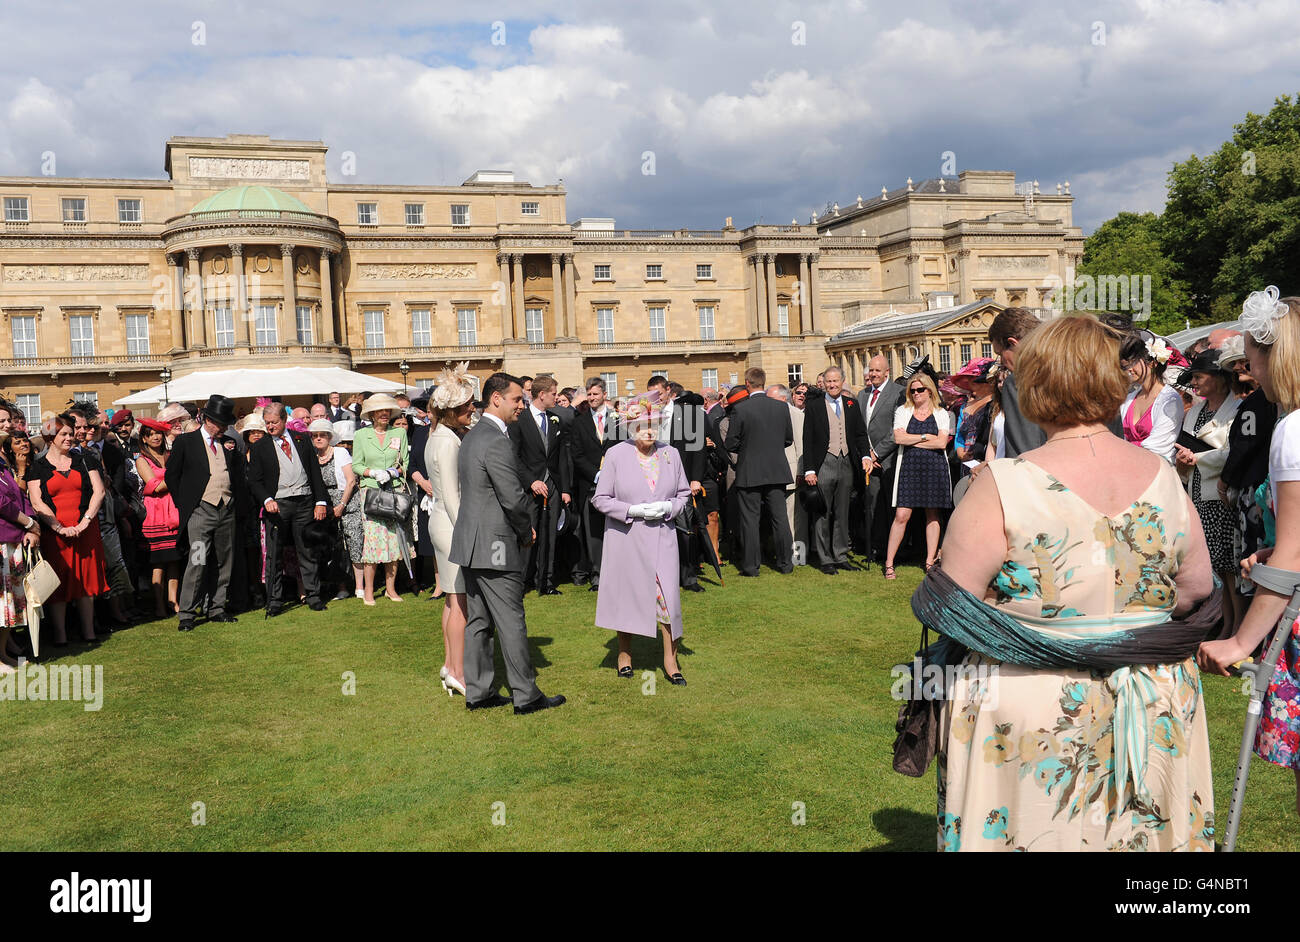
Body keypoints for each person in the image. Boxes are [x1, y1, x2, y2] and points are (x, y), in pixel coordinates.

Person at [934, 315, 1216, 851]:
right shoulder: (1165, 478)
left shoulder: (1001, 482)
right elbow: (1196, 587)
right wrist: (1123, 617)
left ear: (1033, 383)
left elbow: (954, 602)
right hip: (1150, 690)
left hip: (1033, 696)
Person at [1200, 288, 1300, 818]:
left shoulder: (1293, 430)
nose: (1247, 371)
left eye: (1249, 357)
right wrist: (1274, 547)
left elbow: (1295, 557)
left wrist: (1239, 640)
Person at [449, 372, 565, 714]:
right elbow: (512, 497)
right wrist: (526, 529)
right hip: (494, 543)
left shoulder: (473, 436)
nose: (521, 405)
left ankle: (480, 691)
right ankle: (525, 695)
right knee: (511, 618)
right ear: (496, 398)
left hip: (473, 543)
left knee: (479, 621)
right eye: (517, 399)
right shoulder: (494, 439)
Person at [592, 391, 692, 683]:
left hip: (663, 538)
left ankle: (670, 662)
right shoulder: (615, 454)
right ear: (632, 427)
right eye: (644, 425)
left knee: (667, 601)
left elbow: (683, 494)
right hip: (627, 539)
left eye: (654, 425)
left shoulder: (670, 454)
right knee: (628, 598)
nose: (650, 431)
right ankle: (624, 655)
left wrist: (668, 507)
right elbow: (600, 499)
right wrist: (631, 510)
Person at [1174, 350, 1242, 636]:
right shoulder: (1197, 411)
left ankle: (1237, 624)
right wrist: (1183, 462)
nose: (1195, 383)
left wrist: (1197, 459)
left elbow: (1232, 453)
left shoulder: (1236, 410)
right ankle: (1223, 623)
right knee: (1215, 563)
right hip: (1198, 492)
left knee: (1229, 566)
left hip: (1220, 495)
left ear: (1218, 379)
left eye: (1200, 377)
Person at [27, 413, 109, 644]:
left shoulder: (86, 459)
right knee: (57, 584)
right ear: (50, 437)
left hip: (86, 529)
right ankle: (60, 636)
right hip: (56, 535)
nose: (70, 438)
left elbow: (99, 491)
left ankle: (89, 632)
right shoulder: (38, 467)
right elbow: (36, 501)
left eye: (71, 434)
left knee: (86, 584)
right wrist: (59, 528)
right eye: (64, 434)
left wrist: (85, 522)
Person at [165, 395, 244, 631]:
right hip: (201, 511)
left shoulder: (228, 443)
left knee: (224, 561)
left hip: (226, 509)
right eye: (221, 424)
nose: (224, 428)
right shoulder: (186, 442)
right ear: (208, 420)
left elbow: (237, 476)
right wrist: (188, 504)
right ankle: (187, 613)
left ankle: (217, 607)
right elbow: (172, 477)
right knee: (197, 561)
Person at [247, 401, 330, 615]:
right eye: (267, 423)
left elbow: (314, 472)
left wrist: (320, 501)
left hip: (304, 501)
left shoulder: (302, 440)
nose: (270, 427)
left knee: (307, 550)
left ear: (284, 420)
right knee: (274, 554)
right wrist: (267, 499)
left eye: (274, 422)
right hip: (278, 505)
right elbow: (254, 480)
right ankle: (274, 600)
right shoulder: (259, 447)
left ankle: (313, 596)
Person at [425, 363, 476, 697]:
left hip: (442, 522)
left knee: (450, 602)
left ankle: (449, 665)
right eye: (467, 406)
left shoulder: (440, 437)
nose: (472, 409)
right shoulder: (446, 442)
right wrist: (467, 535)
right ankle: (457, 671)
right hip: (449, 524)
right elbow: (454, 497)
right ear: (452, 411)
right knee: (460, 605)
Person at [724, 367, 794, 577]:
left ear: (747, 383)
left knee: (750, 520)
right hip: (776, 469)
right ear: (764, 383)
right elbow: (788, 439)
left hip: (750, 470)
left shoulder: (741, 409)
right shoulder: (781, 408)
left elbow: (731, 443)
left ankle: (751, 567)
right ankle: (785, 563)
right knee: (780, 518)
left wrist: (748, 447)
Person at [883, 370, 951, 578]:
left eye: (920, 390)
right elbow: (899, 439)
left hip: (935, 468)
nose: (916, 394)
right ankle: (889, 563)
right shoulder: (903, 411)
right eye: (912, 391)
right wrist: (924, 436)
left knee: (932, 514)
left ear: (930, 391)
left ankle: (930, 561)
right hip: (909, 468)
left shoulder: (941, 413)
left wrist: (913, 438)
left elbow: (941, 442)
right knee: (902, 515)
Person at [802, 367, 870, 574]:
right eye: (828, 382)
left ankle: (840, 555)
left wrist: (866, 455)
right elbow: (808, 439)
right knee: (823, 512)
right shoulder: (814, 406)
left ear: (842, 381)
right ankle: (825, 559)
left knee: (843, 512)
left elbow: (860, 434)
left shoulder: (851, 404)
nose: (832, 385)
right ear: (823, 383)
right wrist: (809, 470)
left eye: (835, 381)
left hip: (847, 463)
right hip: (824, 464)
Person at [508, 375, 571, 595]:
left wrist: (565, 489)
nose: (556, 397)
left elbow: (561, 457)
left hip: (552, 485)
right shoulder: (519, 420)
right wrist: (530, 481)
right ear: (542, 394)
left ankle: (546, 582)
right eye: (554, 393)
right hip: (529, 487)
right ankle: (521, 581)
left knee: (550, 535)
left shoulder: (556, 420)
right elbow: (514, 456)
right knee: (527, 535)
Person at [351, 394, 409, 605]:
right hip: (371, 493)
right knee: (373, 543)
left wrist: (393, 472)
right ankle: (368, 590)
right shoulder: (361, 435)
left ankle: (391, 589)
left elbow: (405, 462)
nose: (384, 414)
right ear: (372, 414)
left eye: (387, 411)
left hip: (392, 492)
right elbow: (356, 465)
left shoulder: (399, 433)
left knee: (393, 542)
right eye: (379, 411)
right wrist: (372, 472)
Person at [570, 377, 619, 591]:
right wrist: (596, 475)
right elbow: (577, 455)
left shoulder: (618, 419)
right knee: (593, 532)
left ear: (604, 395)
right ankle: (597, 574)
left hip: (617, 485)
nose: (592, 398)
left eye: (595, 394)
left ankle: (618, 571)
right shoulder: (579, 422)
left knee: (616, 529)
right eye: (589, 395)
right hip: (590, 485)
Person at [0, 424, 39, 671]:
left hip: (13, 538)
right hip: (2, 541)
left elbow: (20, 498)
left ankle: (3, 654)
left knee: (10, 603)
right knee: (2, 602)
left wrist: (31, 526)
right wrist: (28, 522)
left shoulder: (3, 468)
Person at [858, 355, 904, 562]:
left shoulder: (898, 393)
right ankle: (875, 548)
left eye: (878, 370)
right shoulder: (862, 395)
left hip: (890, 461)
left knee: (891, 508)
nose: (874, 374)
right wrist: (866, 454)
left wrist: (877, 453)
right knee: (872, 505)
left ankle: (893, 551)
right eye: (871, 370)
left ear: (887, 372)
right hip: (869, 462)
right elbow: (859, 429)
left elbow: (897, 429)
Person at [135, 417, 182, 617]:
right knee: (158, 561)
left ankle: (173, 602)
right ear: (144, 439)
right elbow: (155, 486)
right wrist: (178, 475)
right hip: (156, 514)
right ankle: (159, 605)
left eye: (158, 433)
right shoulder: (141, 460)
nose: (155, 437)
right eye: (150, 434)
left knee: (174, 559)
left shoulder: (171, 455)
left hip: (176, 510)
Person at [1120, 329, 1186, 462]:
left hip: (1157, 467)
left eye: (1133, 363)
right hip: (1128, 466)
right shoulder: (1129, 398)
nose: (1128, 369)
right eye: (1125, 366)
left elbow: (1159, 446)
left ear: (1152, 362)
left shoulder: (1169, 400)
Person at [309, 418, 357, 601]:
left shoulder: (340, 452)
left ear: (330, 437)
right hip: (323, 506)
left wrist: (342, 505)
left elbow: (351, 480)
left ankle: (354, 586)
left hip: (343, 502)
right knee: (329, 548)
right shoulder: (313, 456)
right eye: (315, 436)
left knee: (347, 546)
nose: (319, 438)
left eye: (322, 435)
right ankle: (336, 585)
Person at [768, 384, 807, 565]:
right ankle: (783, 552)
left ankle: (798, 556)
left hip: (792, 472)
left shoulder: (796, 415)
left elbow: (801, 445)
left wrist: (800, 471)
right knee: (781, 518)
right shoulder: (769, 413)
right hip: (773, 472)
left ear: (783, 398)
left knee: (796, 519)